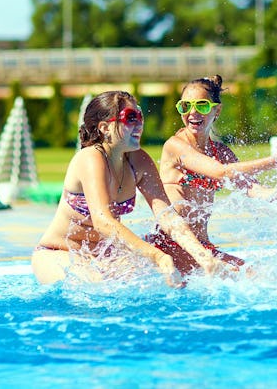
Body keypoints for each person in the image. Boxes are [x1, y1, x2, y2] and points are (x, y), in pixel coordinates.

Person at [32, 91, 231, 287]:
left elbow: (167, 216)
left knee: (157, 283)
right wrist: (157, 256)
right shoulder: (90, 158)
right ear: (105, 128)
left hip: (104, 254)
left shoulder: (139, 161)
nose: (139, 124)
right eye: (130, 117)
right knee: (98, 287)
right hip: (59, 253)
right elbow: (103, 222)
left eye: (140, 116)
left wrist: (203, 256)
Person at [149, 75, 277, 275]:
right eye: (185, 106)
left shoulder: (221, 152)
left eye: (201, 105)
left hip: (202, 248)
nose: (192, 112)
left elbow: (261, 193)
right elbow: (221, 172)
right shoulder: (175, 146)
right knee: (249, 276)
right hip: (172, 245)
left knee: (261, 275)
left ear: (216, 110)